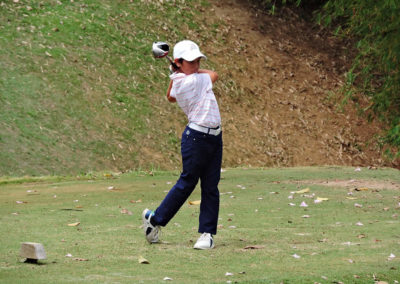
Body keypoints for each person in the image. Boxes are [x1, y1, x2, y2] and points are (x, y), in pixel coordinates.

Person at [142, 40, 223, 250]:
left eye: (198, 60)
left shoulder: (181, 80)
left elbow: (170, 97)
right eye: (191, 61)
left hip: (214, 137)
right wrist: (181, 72)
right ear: (178, 61)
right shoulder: (194, 81)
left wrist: (176, 72)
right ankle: (155, 219)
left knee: (210, 186)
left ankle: (207, 235)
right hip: (196, 138)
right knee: (188, 183)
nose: (196, 65)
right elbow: (214, 74)